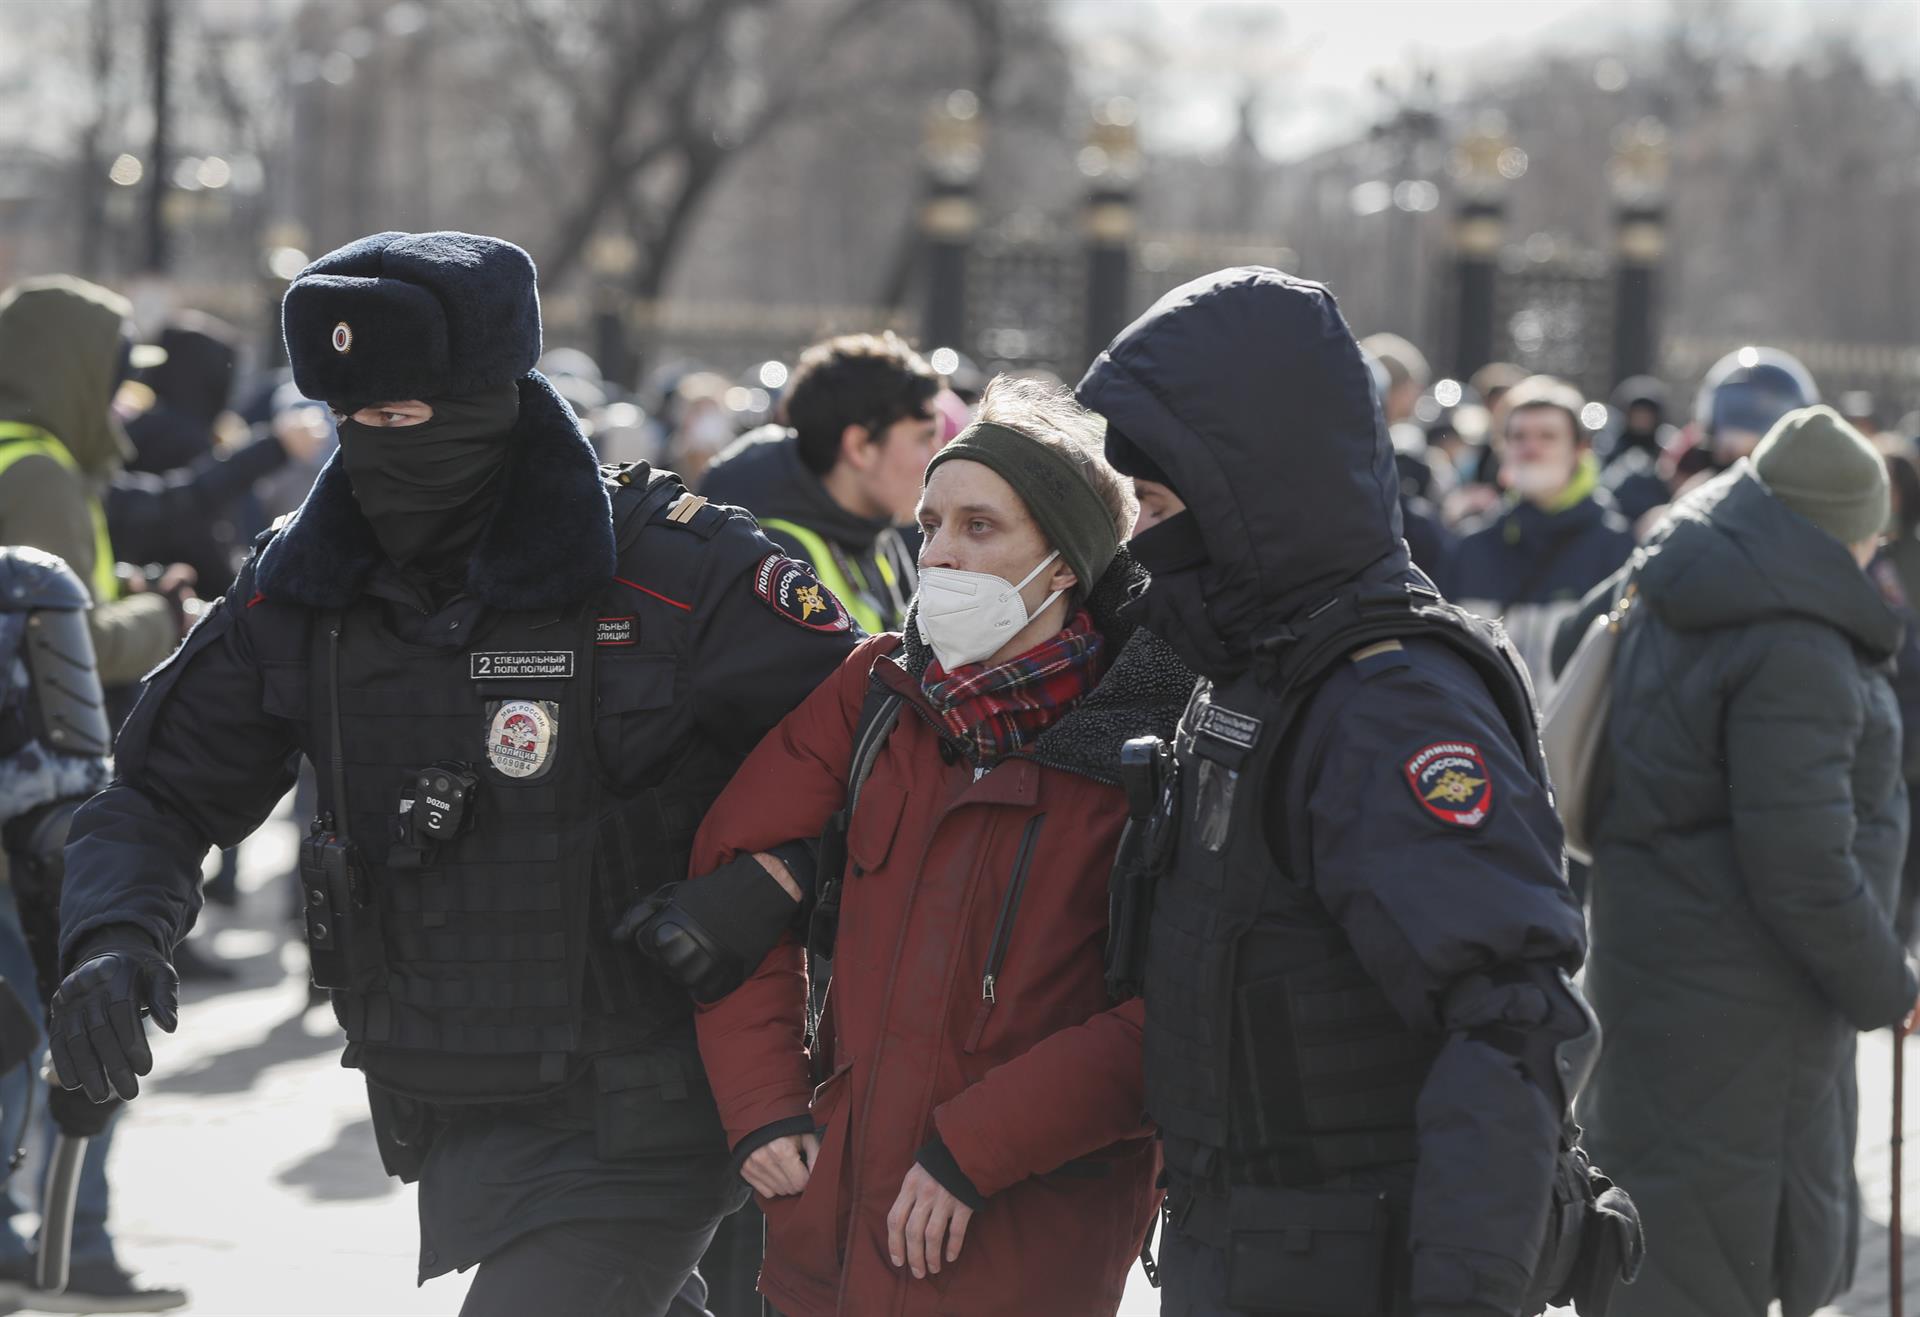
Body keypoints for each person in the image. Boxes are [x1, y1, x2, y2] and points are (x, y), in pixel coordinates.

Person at [46, 230, 861, 1316]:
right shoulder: (305, 587)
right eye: (356, 422)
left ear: (494, 395)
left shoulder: (681, 571)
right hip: (454, 1097)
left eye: (411, 418)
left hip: (655, 1095)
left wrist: (773, 884)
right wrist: (111, 937)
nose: (383, 449)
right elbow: (159, 789)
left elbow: (887, 769)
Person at [1077, 268, 1619, 1317]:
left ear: (1241, 488)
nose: (1141, 539)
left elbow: (1512, 1017)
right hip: (1250, 1247)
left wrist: (1461, 1297)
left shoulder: (1390, 703)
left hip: (1356, 1262)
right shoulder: (1251, 657)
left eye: (1155, 504)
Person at [642, 376, 1188, 1316]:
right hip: (834, 1233)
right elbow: (734, 889)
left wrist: (975, 1148)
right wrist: (764, 1101)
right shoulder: (875, 690)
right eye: (931, 523)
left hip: (1029, 1238)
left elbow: (1179, 1006)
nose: (937, 553)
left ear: (1063, 564)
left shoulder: (1152, 733)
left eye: (979, 528)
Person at [1556, 406, 1920, 1317]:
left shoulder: (1677, 562)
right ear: (1845, 529)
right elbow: (1800, 862)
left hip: (1651, 966)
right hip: (1751, 1011)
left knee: (1654, 1239)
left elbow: (1573, 642)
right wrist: (1889, 983)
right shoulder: (1794, 639)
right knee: (1715, 1260)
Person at [0, 278, 184, 691]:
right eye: (112, 381)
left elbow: (17, 598)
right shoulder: (39, 476)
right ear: (75, 377)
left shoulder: (13, 456)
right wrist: (164, 616)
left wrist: (121, 586)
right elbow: (72, 648)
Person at [701, 332, 939, 635]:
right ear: (860, 446)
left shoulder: (872, 531)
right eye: (925, 437)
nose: (937, 455)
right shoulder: (773, 553)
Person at [1442, 375, 1636, 698]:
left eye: (1547, 436)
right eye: (1518, 437)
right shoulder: (1469, 548)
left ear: (1580, 449)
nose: (1531, 449)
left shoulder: (1615, 548)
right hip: (1487, 740)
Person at [1595, 375, 1674, 526]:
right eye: (1637, 414)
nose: (1642, 420)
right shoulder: (1610, 448)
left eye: (1647, 415)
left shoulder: (1667, 448)